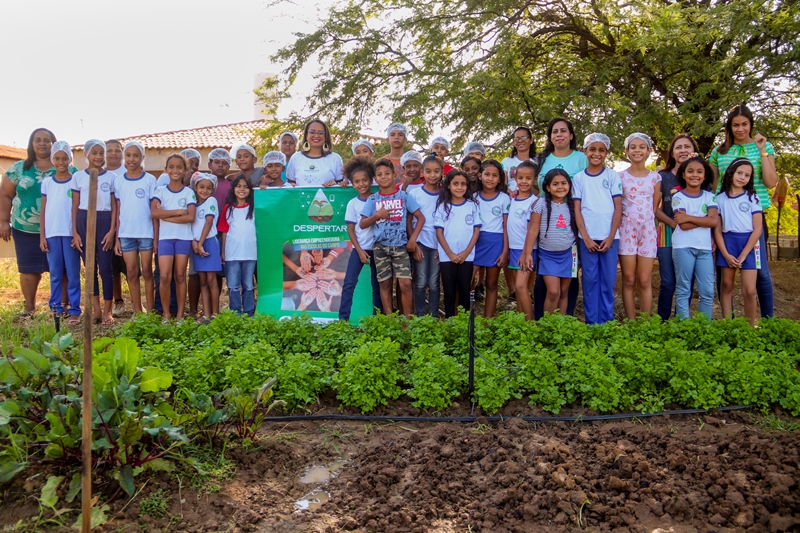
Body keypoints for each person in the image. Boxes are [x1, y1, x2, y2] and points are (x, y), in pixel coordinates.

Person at [708, 104, 777, 318]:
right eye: (735, 125)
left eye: (744, 124)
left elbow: (771, 181)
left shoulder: (763, 148)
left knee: (762, 274)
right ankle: (731, 321)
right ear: (729, 126)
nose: (740, 129)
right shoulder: (719, 151)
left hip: (753, 217)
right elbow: (711, 184)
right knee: (724, 274)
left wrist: (763, 151)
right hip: (724, 216)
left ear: (750, 124)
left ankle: (767, 320)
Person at [0, 128, 69, 318]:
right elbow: (5, 194)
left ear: (54, 144)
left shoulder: (67, 168)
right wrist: (3, 221)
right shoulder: (19, 168)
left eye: (46, 140)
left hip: (59, 228)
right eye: (37, 140)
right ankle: (29, 308)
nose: (42, 144)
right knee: (29, 270)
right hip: (25, 229)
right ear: (31, 144)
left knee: (62, 268)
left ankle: (62, 307)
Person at [533, 118, 587, 319]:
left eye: (563, 131)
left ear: (571, 135)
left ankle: (565, 321)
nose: (559, 135)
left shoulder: (581, 158)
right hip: (545, 223)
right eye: (554, 131)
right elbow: (534, 186)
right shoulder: (542, 159)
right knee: (545, 282)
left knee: (568, 282)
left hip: (571, 220)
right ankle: (542, 321)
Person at [360, 158, 424, 318]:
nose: (384, 177)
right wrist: (377, 215)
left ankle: (407, 321)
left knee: (406, 284)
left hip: (401, 247)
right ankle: (390, 321)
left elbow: (420, 218)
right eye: (380, 174)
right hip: (380, 248)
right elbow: (362, 224)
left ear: (395, 175)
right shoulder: (373, 199)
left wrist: (413, 239)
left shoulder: (404, 196)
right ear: (375, 178)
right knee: (385, 284)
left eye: (387, 173)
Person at [572, 133, 623, 325]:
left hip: (610, 238)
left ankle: (607, 323)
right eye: (592, 149)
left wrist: (610, 237)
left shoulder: (612, 176)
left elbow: (618, 207)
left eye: (601, 150)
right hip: (588, 239)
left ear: (606, 153)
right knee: (590, 281)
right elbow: (577, 209)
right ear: (585, 151)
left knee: (608, 282)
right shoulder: (578, 179)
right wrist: (585, 237)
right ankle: (592, 324)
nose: (596, 153)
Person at [71, 139, 117, 325]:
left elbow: (114, 207)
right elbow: (74, 206)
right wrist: (75, 232)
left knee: (106, 268)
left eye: (101, 153)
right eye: (94, 153)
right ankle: (95, 310)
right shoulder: (78, 177)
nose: (98, 157)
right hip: (84, 220)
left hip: (105, 221)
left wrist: (112, 231)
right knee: (90, 268)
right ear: (86, 154)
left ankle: (108, 311)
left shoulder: (111, 178)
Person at [714, 158, 762, 326]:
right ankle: (728, 325)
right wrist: (726, 255)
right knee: (726, 285)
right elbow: (717, 230)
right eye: (739, 173)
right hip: (728, 244)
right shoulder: (719, 199)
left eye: (747, 175)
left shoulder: (752, 198)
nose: (742, 177)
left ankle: (750, 326)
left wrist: (743, 254)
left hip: (748, 245)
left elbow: (758, 229)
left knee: (749, 290)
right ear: (731, 173)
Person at [655, 134, 699, 320]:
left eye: (686, 146)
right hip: (667, 232)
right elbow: (655, 209)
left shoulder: (699, 175)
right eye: (678, 147)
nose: (683, 150)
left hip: (692, 233)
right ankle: (662, 321)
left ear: (693, 150)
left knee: (686, 282)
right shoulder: (662, 177)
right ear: (672, 153)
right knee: (668, 282)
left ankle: (682, 320)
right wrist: (673, 223)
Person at [523, 169, 578, 316]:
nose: (560, 187)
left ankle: (559, 326)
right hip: (548, 255)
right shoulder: (540, 204)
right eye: (555, 184)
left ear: (569, 185)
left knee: (564, 291)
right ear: (547, 187)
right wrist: (527, 253)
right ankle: (547, 324)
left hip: (569, 254)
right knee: (553, 291)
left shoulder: (573, 204)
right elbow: (533, 230)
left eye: (563, 183)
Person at [618, 133, 661, 320]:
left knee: (644, 280)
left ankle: (645, 323)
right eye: (633, 146)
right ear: (626, 151)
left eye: (642, 147)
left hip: (648, 231)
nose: (637, 150)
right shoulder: (619, 177)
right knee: (628, 279)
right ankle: (631, 322)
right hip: (626, 229)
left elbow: (654, 207)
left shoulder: (656, 178)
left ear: (649, 151)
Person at [112, 141, 158, 314]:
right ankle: (138, 310)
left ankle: (151, 310)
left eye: (136, 155)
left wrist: (155, 236)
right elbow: (117, 211)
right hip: (126, 234)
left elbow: (153, 210)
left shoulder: (150, 180)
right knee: (131, 271)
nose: (132, 159)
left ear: (142, 158)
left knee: (146, 270)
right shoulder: (118, 181)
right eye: (129, 155)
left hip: (146, 233)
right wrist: (117, 237)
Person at [671, 155, 718, 320]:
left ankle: (704, 327)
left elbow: (714, 221)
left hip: (704, 249)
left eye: (699, 171)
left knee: (708, 291)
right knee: (683, 289)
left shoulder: (709, 197)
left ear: (705, 176)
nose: (694, 175)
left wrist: (689, 217)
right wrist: (706, 220)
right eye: (690, 171)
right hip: (683, 247)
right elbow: (682, 225)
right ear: (683, 174)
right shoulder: (678, 197)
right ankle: (685, 327)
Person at [39, 141, 81, 325]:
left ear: (70, 159)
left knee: (73, 272)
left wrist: (76, 232)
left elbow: (78, 208)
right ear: (52, 160)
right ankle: (56, 307)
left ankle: (74, 309)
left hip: (71, 233)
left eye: (65, 158)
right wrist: (42, 235)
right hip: (52, 233)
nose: (61, 162)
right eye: (57, 158)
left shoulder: (76, 180)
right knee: (55, 273)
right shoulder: (47, 183)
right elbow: (44, 210)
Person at [151, 154, 196, 322]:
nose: (175, 170)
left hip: (183, 238)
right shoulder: (160, 190)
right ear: (166, 169)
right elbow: (154, 213)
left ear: (185, 170)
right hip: (165, 239)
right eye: (171, 167)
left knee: (179, 275)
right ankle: (166, 313)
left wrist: (165, 215)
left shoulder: (188, 192)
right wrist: (178, 211)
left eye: (179, 167)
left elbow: (190, 217)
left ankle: (179, 315)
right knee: (164, 276)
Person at [434, 169, 482, 318]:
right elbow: (439, 233)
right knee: (448, 291)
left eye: (463, 184)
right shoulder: (443, 206)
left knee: (464, 290)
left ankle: (464, 324)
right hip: (447, 258)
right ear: (448, 185)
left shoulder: (472, 205)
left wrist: (466, 252)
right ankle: (450, 321)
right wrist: (450, 254)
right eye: (455, 184)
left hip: (466, 257)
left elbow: (476, 231)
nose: (459, 187)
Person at [340, 156, 382, 321]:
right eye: (357, 181)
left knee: (377, 285)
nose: (361, 184)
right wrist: (359, 251)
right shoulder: (353, 204)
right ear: (352, 182)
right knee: (349, 283)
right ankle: (343, 320)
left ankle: (377, 319)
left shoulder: (378, 199)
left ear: (371, 179)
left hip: (378, 249)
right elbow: (351, 229)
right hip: (359, 249)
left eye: (365, 180)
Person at [472, 159, 510, 318]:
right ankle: (467, 315)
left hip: (496, 244)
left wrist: (505, 251)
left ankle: (488, 320)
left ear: (500, 178)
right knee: (467, 280)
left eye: (495, 175)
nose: (490, 178)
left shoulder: (504, 198)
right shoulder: (473, 197)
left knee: (492, 283)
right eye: (487, 174)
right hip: (476, 242)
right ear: (480, 175)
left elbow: (507, 226)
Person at [409, 154, 443, 316]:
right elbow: (408, 221)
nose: (433, 175)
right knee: (421, 281)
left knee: (434, 283)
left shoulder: (445, 195)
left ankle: (434, 316)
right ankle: (421, 316)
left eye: (436, 171)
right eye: (428, 171)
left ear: (442, 172)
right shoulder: (415, 194)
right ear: (423, 172)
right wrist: (413, 243)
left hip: (438, 245)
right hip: (420, 243)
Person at [218, 175, 257, 316]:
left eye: (246, 186)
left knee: (248, 285)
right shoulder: (228, 209)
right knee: (233, 286)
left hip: (251, 253)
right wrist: (223, 252)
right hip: (232, 254)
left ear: (250, 190)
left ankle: (248, 312)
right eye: (238, 186)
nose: (242, 189)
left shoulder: (255, 208)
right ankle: (235, 312)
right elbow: (224, 232)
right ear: (233, 189)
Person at [508, 161, 539, 320]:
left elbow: (532, 230)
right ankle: (522, 323)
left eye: (528, 178)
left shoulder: (534, 202)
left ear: (535, 179)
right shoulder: (512, 198)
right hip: (513, 249)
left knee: (521, 287)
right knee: (519, 289)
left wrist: (526, 253)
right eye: (521, 178)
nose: (524, 181)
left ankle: (530, 325)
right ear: (515, 178)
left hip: (527, 250)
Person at [190, 172, 222, 323]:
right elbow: (190, 226)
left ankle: (215, 312)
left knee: (211, 279)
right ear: (195, 187)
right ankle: (206, 314)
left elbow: (208, 223)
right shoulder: (193, 205)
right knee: (202, 279)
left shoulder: (212, 201)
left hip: (208, 243)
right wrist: (194, 243)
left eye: (209, 188)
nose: (205, 190)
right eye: (201, 187)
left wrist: (200, 243)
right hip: (197, 245)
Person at [105, 139, 127, 317]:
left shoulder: (128, 172)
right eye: (109, 150)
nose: (113, 153)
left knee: (130, 266)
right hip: (107, 224)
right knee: (112, 266)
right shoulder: (100, 174)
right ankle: (118, 300)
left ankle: (137, 303)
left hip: (128, 224)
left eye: (117, 150)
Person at [286, 120, 344, 187]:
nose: (316, 135)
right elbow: (289, 185)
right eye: (312, 132)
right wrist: (290, 185)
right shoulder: (296, 157)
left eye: (321, 133)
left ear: (326, 136)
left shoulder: (335, 158)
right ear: (306, 135)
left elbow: (341, 186)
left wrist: (335, 184)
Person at [501, 126, 537, 192]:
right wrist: (510, 193)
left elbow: (538, 187)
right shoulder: (506, 161)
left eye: (524, 137)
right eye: (517, 138)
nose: (520, 141)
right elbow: (503, 183)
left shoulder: (536, 162)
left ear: (531, 140)